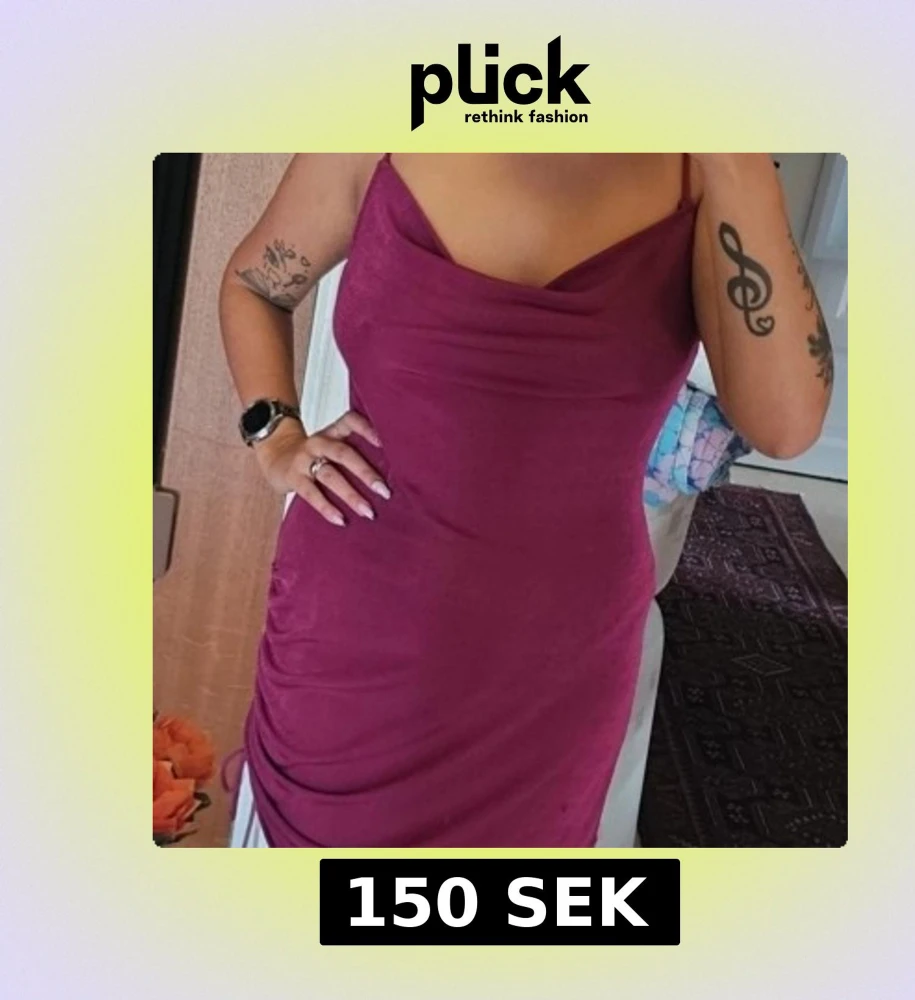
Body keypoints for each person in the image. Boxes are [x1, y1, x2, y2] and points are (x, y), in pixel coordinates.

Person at [217, 152, 832, 848]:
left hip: (559, 665)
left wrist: (739, 161)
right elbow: (254, 286)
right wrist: (276, 436)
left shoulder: (702, 166)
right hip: (354, 634)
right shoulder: (376, 133)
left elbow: (785, 426)